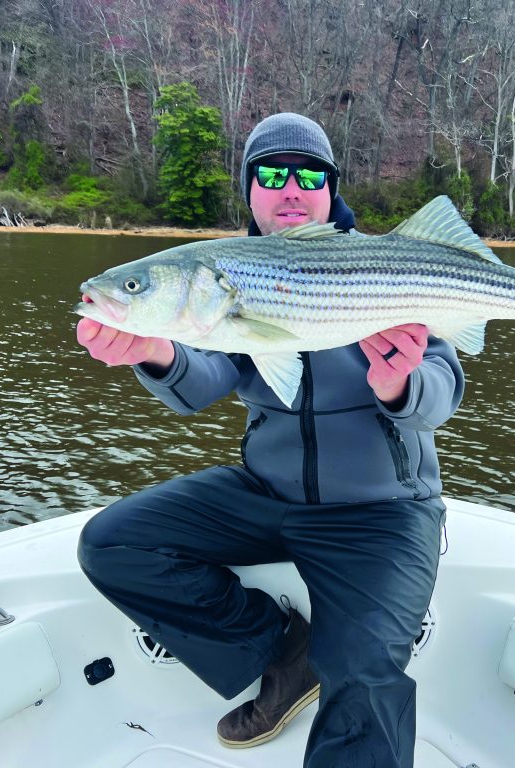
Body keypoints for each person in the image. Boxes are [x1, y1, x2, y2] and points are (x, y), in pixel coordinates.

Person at [75, 113, 464, 768]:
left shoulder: (387, 263)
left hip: (383, 511)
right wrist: (154, 350)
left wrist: (399, 385)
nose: (291, 187)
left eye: (310, 173)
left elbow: (443, 388)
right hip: (268, 493)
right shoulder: (227, 274)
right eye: (272, 172)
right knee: (112, 543)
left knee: (365, 676)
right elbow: (201, 383)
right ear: (249, 190)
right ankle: (281, 649)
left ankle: (327, 668)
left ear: (330, 188)